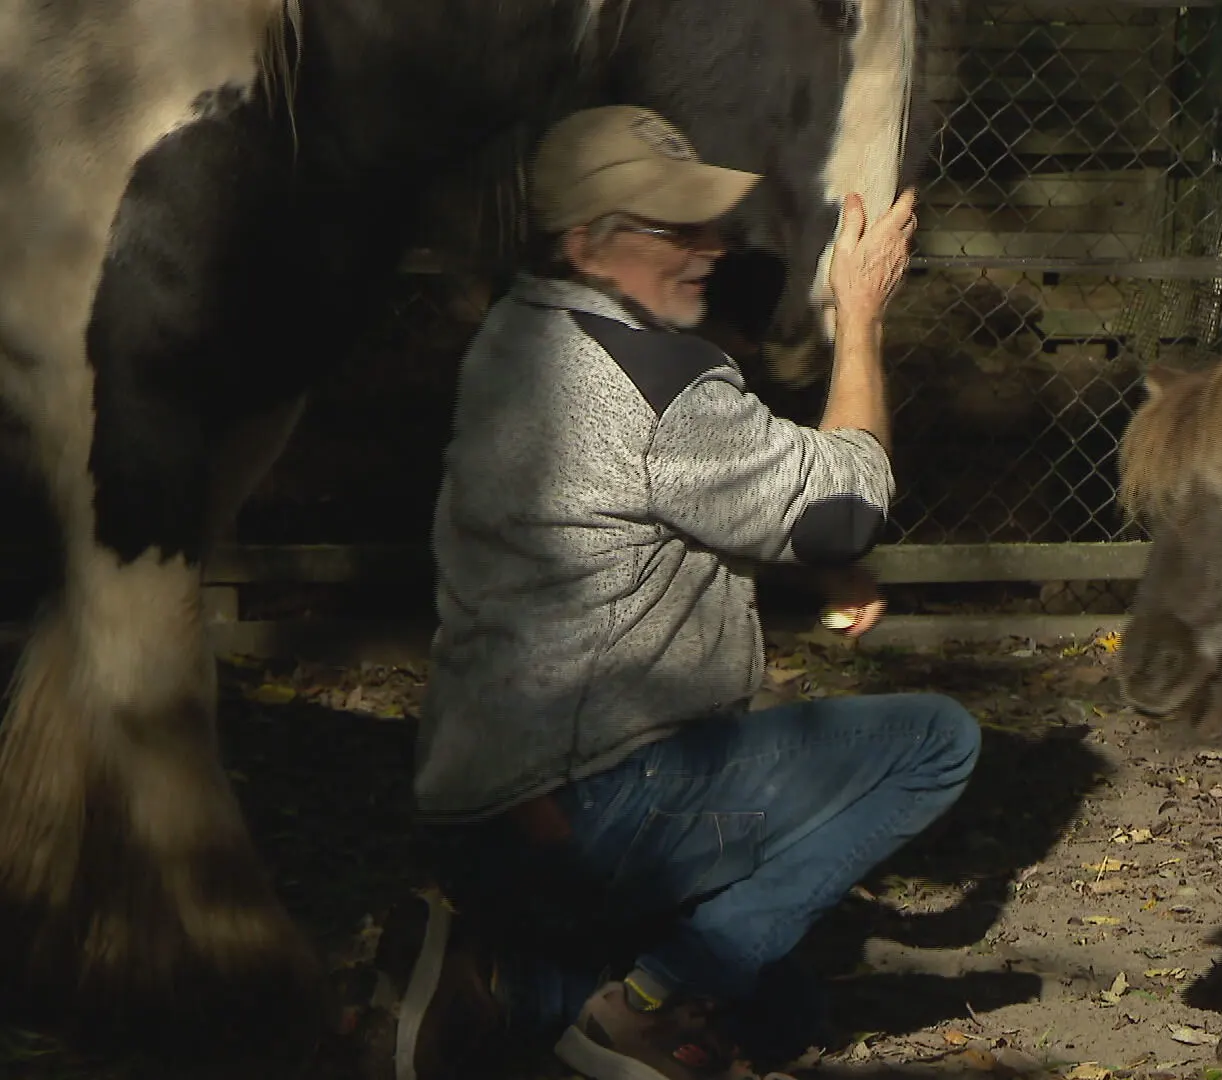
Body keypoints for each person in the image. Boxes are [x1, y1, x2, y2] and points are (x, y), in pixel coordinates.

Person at [364, 104, 982, 1080]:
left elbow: (670, 498)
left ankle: (485, 982)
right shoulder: (657, 378)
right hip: (590, 797)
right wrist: (859, 318)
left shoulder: (518, 335)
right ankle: (638, 1006)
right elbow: (844, 509)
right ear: (586, 243)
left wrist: (814, 552)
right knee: (933, 744)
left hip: (479, 806)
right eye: (675, 228)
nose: (709, 247)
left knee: (779, 1016)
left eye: (707, 222)